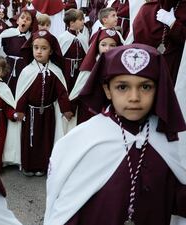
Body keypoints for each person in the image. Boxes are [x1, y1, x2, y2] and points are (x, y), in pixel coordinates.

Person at [44, 43, 186, 225]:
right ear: (107, 90)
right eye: (122, 87)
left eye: (145, 87)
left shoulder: (170, 139)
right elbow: (68, 205)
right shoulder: (84, 139)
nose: (134, 97)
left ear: (159, 89)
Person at [15, 30, 73, 177]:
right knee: (30, 141)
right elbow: (22, 93)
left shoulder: (55, 71)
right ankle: (28, 166)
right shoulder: (27, 71)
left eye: (44, 48)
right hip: (30, 113)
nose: (39, 52)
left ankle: (42, 166)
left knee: (46, 140)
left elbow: (62, 93)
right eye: (36, 48)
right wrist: (20, 110)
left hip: (48, 113)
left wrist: (66, 109)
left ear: (51, 51)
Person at [69, 28, 122, 124]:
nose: (107, 49)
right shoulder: (91, 64)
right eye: (103, 45)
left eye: (112, 45)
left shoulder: (119, 66)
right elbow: (79, 87)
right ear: (97, 46)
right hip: (89, 109)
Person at [132, 0, 186, 83]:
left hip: (178, 71)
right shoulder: (147, 8)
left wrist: (174, 24)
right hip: (149, 69)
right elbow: (139, 45)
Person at [0, 6, 38, 94]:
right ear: (17, 20)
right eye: (22, 18)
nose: (24, 20)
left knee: (20, 90)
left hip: (24, 68)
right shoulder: (9, 33)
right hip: (8, 66)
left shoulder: (32, 38)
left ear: (31, 23)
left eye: (28, 19)